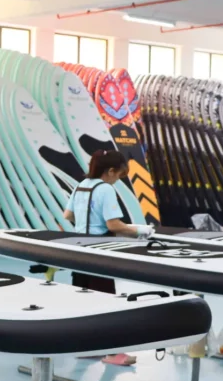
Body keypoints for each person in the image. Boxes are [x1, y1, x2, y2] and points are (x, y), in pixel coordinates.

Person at [63, 150, 154, 366]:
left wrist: (86, 225)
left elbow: (68, 216)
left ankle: (85, 347)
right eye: (119, 176)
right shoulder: (105, 189)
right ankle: (113, 353)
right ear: (110, 171)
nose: (118, 180)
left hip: (77, 250)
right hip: (98, 252)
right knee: (106, 302)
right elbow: (114, 225)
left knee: (83, 299)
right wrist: (142, 231)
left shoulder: (81, 185)